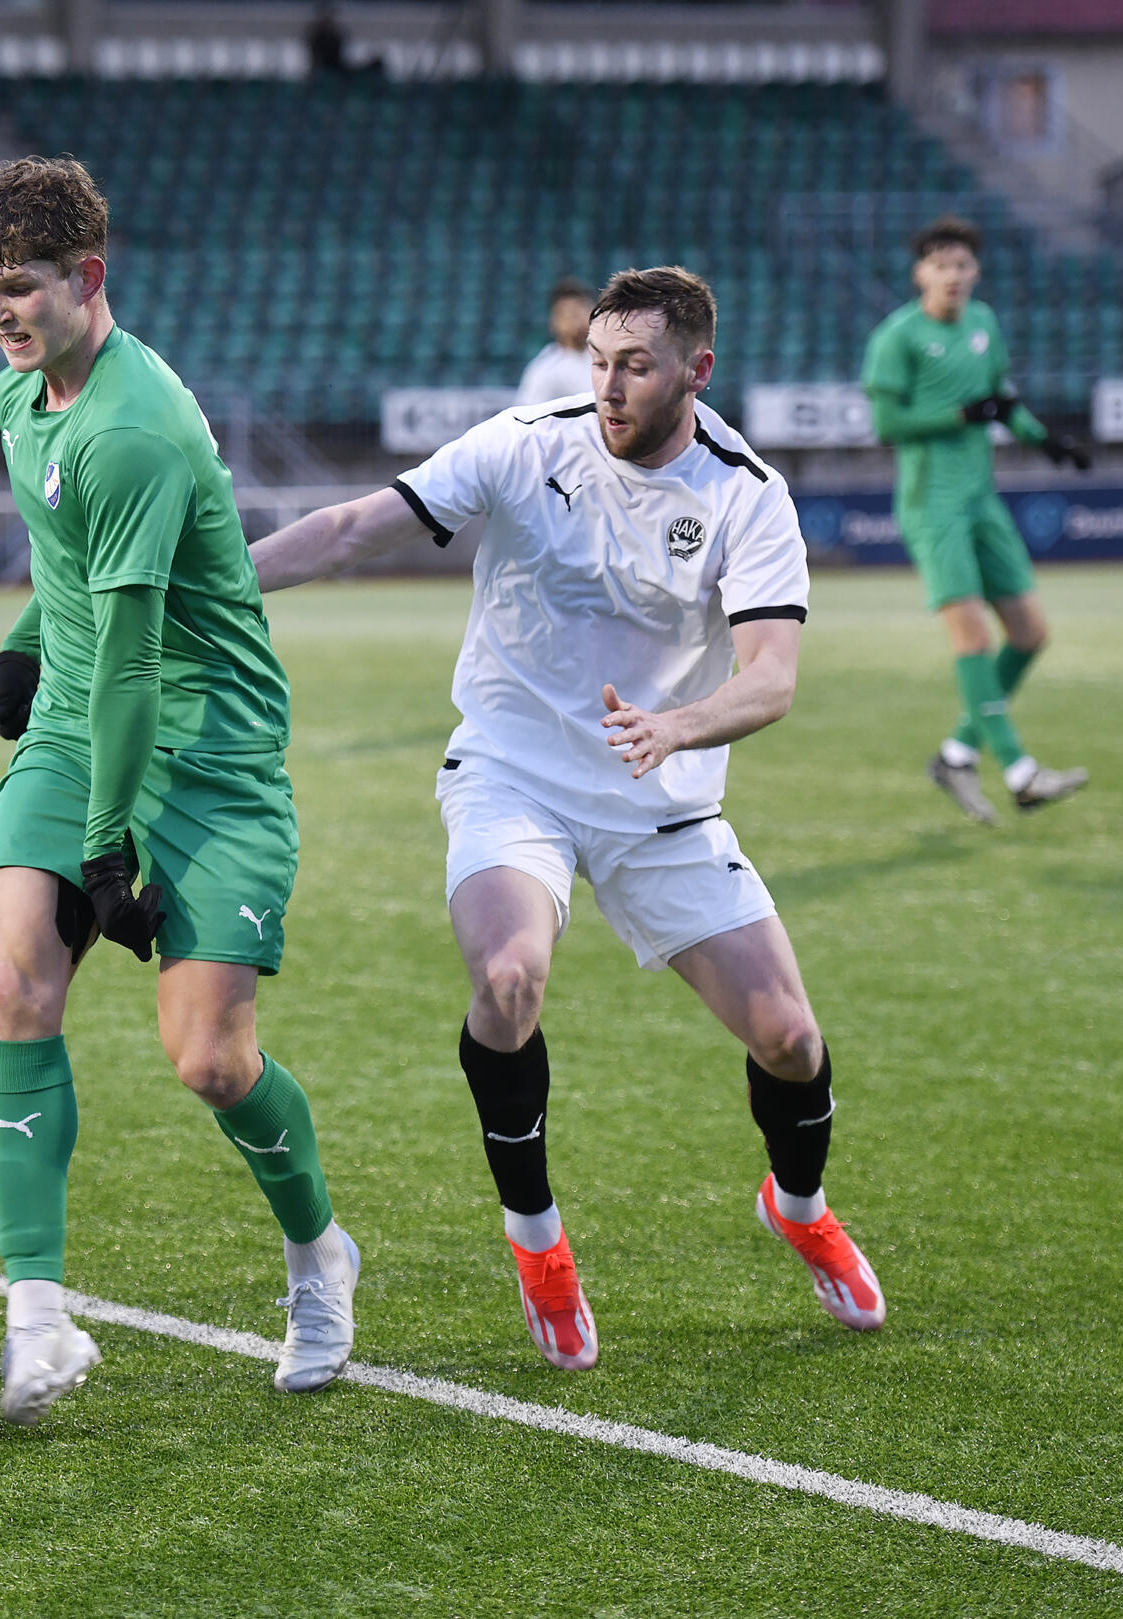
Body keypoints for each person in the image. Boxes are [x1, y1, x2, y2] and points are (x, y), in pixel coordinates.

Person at [250, 266, 885, 1369]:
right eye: (597, 360)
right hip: (513, 773)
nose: (607, 384)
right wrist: (211, 584)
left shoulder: (744, 490)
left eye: (633, 365)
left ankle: (798, 1202)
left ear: (696, 368)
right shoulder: (523, 440)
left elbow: (771, 674)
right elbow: (356, 526)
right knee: (507, 979)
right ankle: (537, 1242)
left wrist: (679, 728)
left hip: (660, 797)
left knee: (788, 1036)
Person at [0, 156, 360, 1423]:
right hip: (83, 719)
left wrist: (109, 849)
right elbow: (67, 560)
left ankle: (317, 1254)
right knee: (19, 974)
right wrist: (27, 636)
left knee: (209, 1060)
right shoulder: (23, 395)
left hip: (209, 752)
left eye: (20, 289)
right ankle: (38, 1318)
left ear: (89, 276)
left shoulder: (133, 424)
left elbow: (138, 654)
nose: (0, 314)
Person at [863, 215, 1091, 824]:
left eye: (962, 264)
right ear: (921, 273)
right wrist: (962, 415)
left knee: (1031, 634)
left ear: (975, 271)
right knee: (975, 638)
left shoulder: (984, 323)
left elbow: (1002, 400)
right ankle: (1020, 771)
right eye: (941, 265)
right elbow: (888, 425)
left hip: (981, 499)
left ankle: (957, 754)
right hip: (931, 504)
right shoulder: (897, 337)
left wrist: (1047, 441)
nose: (954, 275)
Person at [515, 274, 595, 408]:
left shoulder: (606, 356)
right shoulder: (546, 369)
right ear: (554, 322)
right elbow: (528, 418)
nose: (579, 320)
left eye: (584, 311)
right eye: (571, 314)